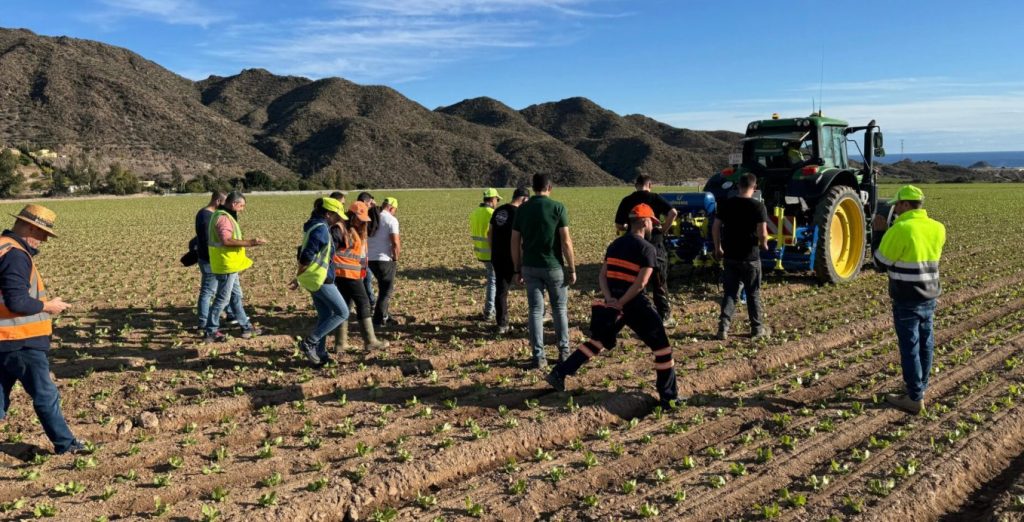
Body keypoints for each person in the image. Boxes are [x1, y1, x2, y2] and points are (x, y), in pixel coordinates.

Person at [545, 204, 678, 408]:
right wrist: (622, 302)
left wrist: (611, 300)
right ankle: (669, 398)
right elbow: (641, 283)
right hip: (634, 304)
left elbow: (602, 275)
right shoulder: (647, 249)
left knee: (597, 341)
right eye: (652, 221)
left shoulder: (614, 245)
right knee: (662, 350)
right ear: (644, 222)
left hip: (614, 301)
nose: (653, 226)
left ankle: (559, 373)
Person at [0, 204, 84, 454]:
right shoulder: (15, 254)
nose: (43, 240)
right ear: (26, 226)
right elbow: (17, 301)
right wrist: (48, 306)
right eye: (41, 233)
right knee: (45, 395)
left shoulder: (1, 247)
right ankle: (66, 445)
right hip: (20, 340)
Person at [874, 185, 946, 414]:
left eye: (896, 205)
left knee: (910, 347)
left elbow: (879, 263)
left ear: (905, 204)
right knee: (926, 343)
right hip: (930, 294)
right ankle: (919, 388)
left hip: (906, 297)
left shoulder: (901, 229)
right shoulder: (937, 227)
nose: (893, 209)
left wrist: (879, 233)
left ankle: (914, 397)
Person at [511, 173, 576, 369]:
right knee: (559, 310)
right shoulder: (558, 207)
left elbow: (514, 242)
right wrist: (572, 268)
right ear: (550, 188)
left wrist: (517, 269)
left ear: (533, 188)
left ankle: (538, 356)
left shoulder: (522, 209)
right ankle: (564, 352)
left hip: (530, 267)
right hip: (554, 266)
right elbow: (565, 241)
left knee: (535, 311)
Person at [614, 174, 678, 326]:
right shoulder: (656, 198)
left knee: (634, 282)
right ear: (650, 185)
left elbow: (618, 225)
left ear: (636, 185)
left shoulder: (627, 200)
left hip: (634, 245)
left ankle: (636, 316)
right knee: (659, 282)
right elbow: (673, 212)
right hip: (655, 244)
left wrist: (628, 228)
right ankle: (665, 317)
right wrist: (663, 229)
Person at [712, 173, 769, 341]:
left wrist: (718, 248)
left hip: (730, 256)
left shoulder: (725, 205)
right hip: (750, 257)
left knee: (730, 293)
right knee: (753, 293)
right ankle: (757, 329)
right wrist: (764, 245)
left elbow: (715, 227)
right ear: (754, 188)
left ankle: (723, 328)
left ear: (738, 186)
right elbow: (763, 233)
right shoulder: (759, 207)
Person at [294, 197, 349, 366]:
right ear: (328, 214)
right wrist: (298, 275)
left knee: (325, 315)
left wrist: (299, 276)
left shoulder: (317, 226)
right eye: (336, 216)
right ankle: (311, 342)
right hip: (321, 279)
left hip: (315, 278)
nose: (339, 220)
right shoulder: (321, 230)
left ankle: (320, 353)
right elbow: (306, 255)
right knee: (342, 313)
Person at [205, 191, 266, 343]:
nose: (242, 209)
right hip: (226, 264)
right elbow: (226, 240)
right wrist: (251, 242)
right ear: (234, 204)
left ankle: (246, 327)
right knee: (222, 299)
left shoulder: (222, 214)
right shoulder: (223, 218)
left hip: (230, 264)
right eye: (242, 206)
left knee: (236, 296)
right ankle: (210, 331)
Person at [332, 201, 388, 351]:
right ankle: (370, 341)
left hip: (350, 273)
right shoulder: (341, 229)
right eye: (360, 218)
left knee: (345, 306)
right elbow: (330, 250)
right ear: (352, 216)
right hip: (346, 274)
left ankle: (340, 343)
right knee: (363, 303)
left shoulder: (355, 230)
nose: (362, 222)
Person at [489, 187, 530, 335]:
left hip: (497, 257)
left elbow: (490, 233)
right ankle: (535, 321)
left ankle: (502, 324)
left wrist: (493, 251)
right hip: (512, 257)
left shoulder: (498, 210)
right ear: (524, 199)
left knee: (501, 290)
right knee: (532, 288)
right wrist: (519, 265)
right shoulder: (519, 214)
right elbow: (519, 240)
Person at [194, 191, 233, 332]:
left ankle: (230, 314)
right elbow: (206, 240)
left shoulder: (204, 214)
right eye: (224, 204)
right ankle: (203, 322)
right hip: (209, 260)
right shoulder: (207, 216)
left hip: (209, 258)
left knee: (223, 288)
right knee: (208, 291)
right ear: (218, 201)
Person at [367, 196, 400, 329]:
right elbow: (395, 242)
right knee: (386, 291)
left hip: (370, 259)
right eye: (395, 210)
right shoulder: (391, 220)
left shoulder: (372, 217)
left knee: (382, 288)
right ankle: (379, 320)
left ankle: (384, 315)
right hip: (384, 259)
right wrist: (395, 258)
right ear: (391, 207)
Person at [470, 188, 501, 321]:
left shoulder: (475, 213)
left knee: (492, 280)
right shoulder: (493, 214)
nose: (497, 202)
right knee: (493, 282)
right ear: (493, 199)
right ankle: (489, 311)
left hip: (480, 252)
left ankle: (491, 309)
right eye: (497, 200)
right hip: (491, 254)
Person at [357, 192, 378, 311]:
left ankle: (369, 303)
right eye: (370, 202)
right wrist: (374, 208)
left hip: (363, 257)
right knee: (364, 281)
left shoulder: (356, 215)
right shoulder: (359, 218)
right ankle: (368, 304)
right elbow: (373, 229)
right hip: (359, 258)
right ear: (365, 202)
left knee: (366, 280)